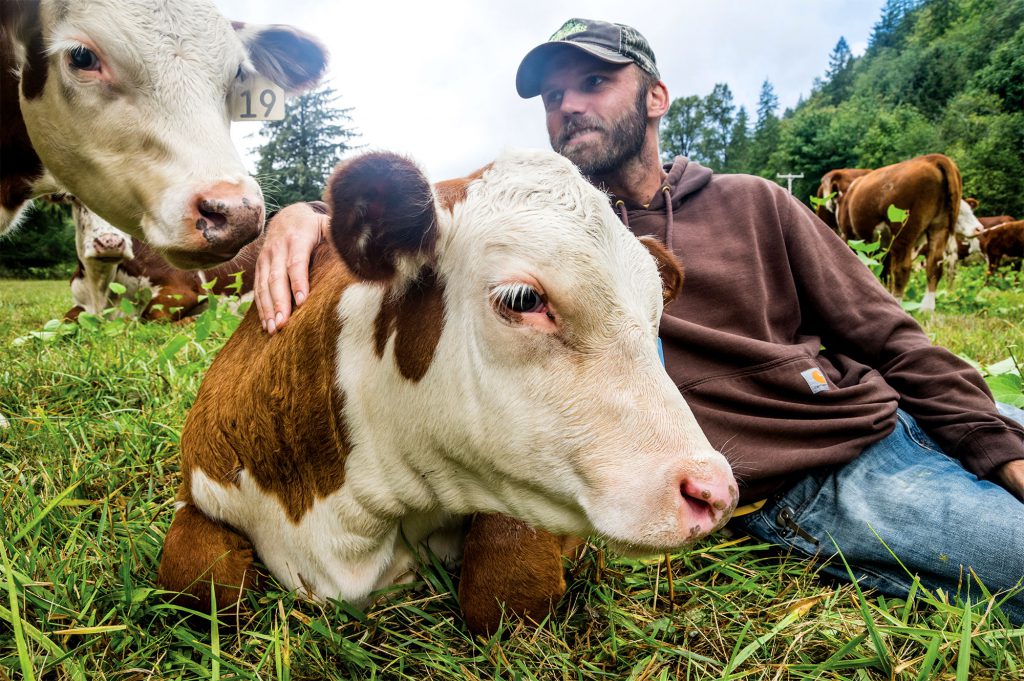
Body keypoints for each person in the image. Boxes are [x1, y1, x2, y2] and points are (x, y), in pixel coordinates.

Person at [252, 18, 1024, 624]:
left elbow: (889, 334)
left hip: (897, 413)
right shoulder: (539, 236)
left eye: (594, 81)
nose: (568, 106)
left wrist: (994, 440)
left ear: (656, 96)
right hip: (818, 481)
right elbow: (411, 217)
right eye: (552, 97)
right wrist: (305, 218)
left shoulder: (756, 202)